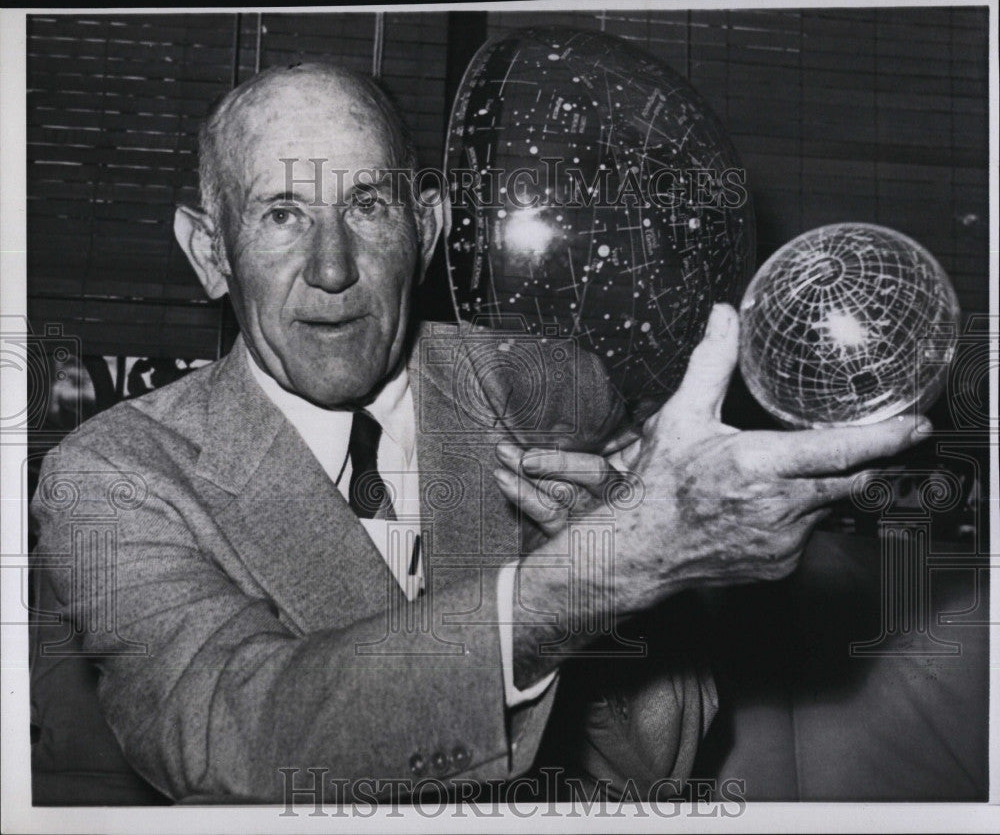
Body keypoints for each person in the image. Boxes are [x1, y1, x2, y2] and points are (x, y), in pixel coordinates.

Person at [29, 62, 925, 804]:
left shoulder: (550, 387)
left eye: (368, 205)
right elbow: (230, 735)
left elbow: (655, 764)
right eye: (282, 214)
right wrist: (594, 574)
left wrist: (631, 601)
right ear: (210, 253)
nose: (333, 267)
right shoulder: (111, 476)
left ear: (427, 230)